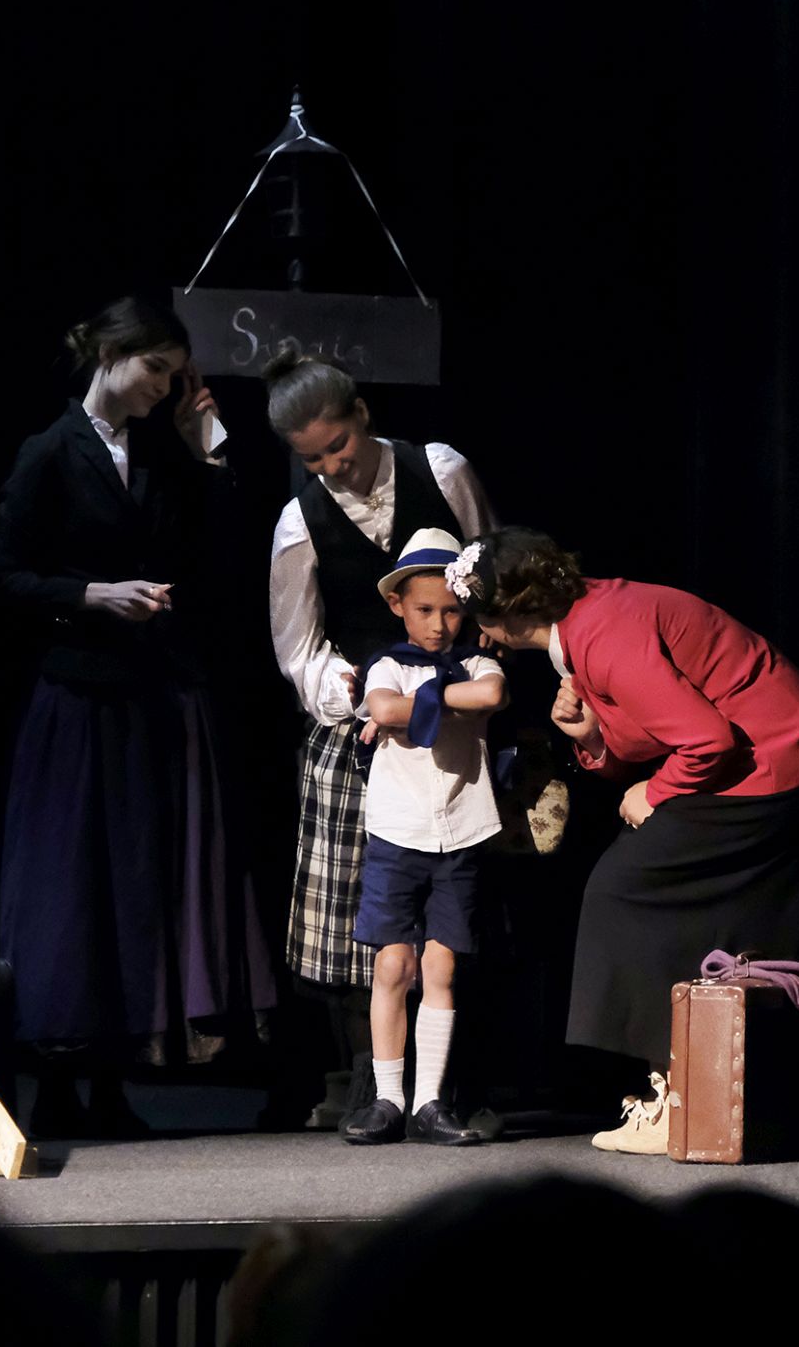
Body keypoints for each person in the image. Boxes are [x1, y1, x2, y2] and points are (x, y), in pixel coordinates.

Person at [449, 527, 799, 1152]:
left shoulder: (604, 635)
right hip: (777, 754)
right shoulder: (589, 617)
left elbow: (706, 742)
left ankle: (676, 1100)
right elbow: (656, 725)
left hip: (778, 759)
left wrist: (656, 791)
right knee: (654, 888)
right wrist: (592, 738)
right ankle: (712, 1091)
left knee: (626, 892)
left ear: (500, 620)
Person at [0, 296, 277, 1136]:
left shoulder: (157, 454)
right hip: (78, 698)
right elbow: (1, 575)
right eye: (156, 369)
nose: (163, 387)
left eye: (175, 375)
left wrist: (205, 451)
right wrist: (91, 594)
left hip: (146, 694)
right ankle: (56, 1084)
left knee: (133, 885)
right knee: (71, 885)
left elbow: (215, 559)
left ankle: (112, 1082)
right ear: (112, 353)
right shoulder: (50, 451)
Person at [264, 349, 497, 1121]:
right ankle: (373, 1080)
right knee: (368, 919)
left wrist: (472, 669)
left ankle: (451, 1083)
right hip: (368, 723)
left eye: (339, 445)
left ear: (361, 415)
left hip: (456, 713)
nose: (333, 465)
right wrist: (348, 689)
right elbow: (297, 644)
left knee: (453, 911)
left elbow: (488, 573)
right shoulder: (301, 520)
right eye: (314, 458)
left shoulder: (440, 469)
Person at [339, 529, 505, 1145]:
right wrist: (439, 703)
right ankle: (387, 1098)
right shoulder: (386, 663)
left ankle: (430, 1102)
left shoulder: (480, 662)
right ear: (398, 606)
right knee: (393, 963)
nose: (439, 625)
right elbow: (382, 707)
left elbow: (491, 693)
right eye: (425, 610)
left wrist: (420, 701)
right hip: (398, 830)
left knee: (442, 964)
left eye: (452, 611)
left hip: (460, 830)